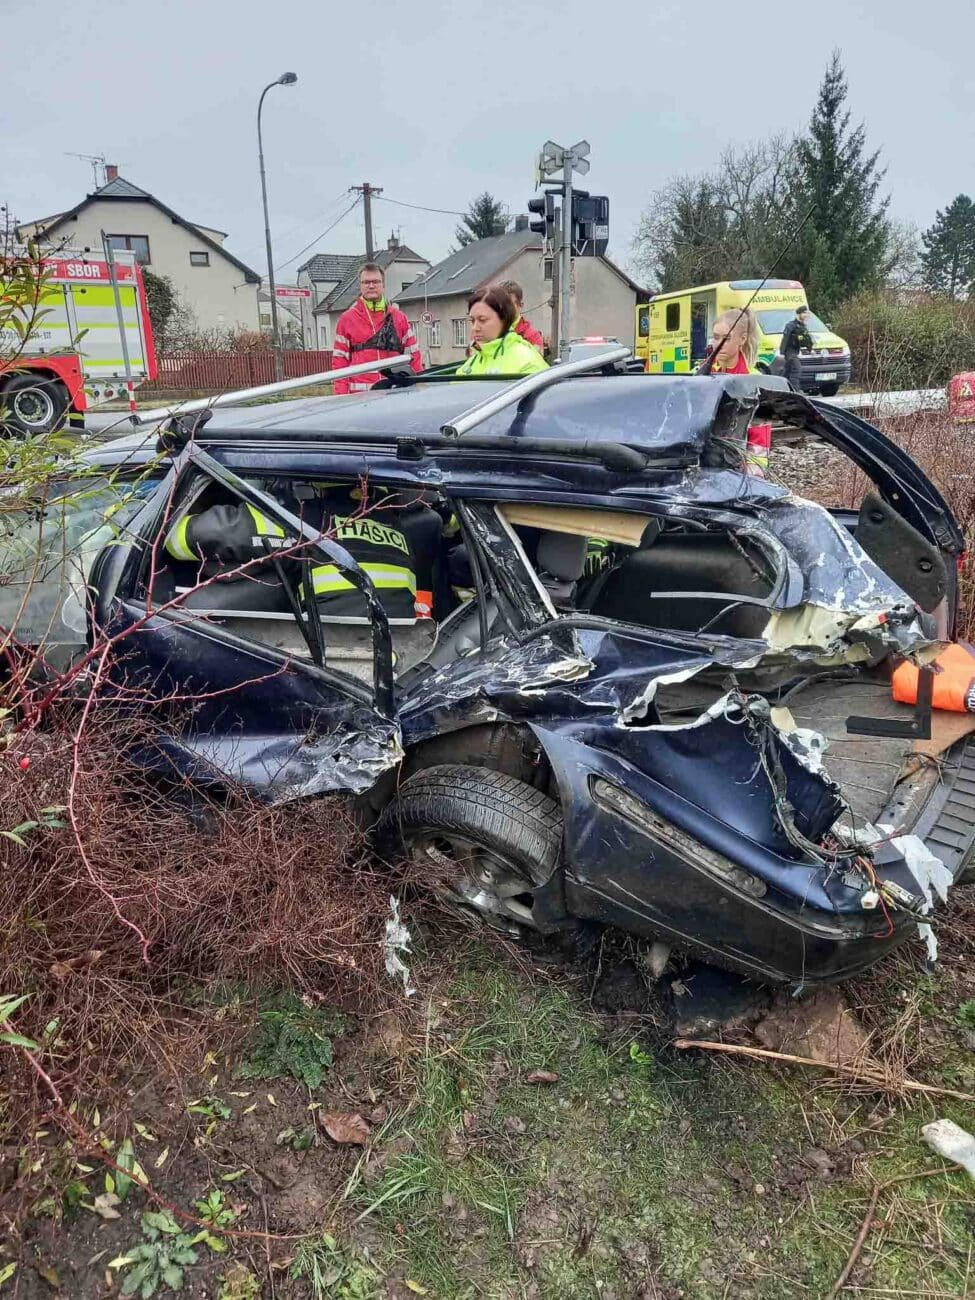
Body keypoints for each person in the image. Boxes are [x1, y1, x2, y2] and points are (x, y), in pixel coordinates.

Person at [163, 483, 421, 623]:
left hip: (332, 652)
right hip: (395, 650)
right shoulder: (398, 528)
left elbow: (184, 539)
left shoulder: (304, 520)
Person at [332, 264, 424, 395]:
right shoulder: (347, 319)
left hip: (394, 393)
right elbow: (339, 362)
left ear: (383, 285)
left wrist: (418, 390)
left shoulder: (399, 318)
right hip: (359, 398)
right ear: (360, 286)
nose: (371, 286)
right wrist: (341, 397)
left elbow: (413, 356)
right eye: (366, 282)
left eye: (375, 281)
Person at [705, 307, 771, 477]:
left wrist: (753, 477)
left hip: (736, 472)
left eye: (726, 339)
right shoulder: (699, 375)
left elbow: (759, 441)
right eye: (716, 337)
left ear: (742, 339)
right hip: (700, 467)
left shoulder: (754, 381)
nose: (718, 344)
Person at [456, 287, 549, 377]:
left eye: (482, 320)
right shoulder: (470, 364)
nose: (475, 328)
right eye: (472, 321)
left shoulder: (527, 362)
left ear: (504, 319)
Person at [497, 279, 545, 352]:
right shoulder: (489, 333)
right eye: (500, 304)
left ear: (520, 306)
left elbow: (535, 362)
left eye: (509, 305)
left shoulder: (532, 337)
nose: (504, 309)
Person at [779, 305, 813, 392]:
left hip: (795, 352)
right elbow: (785, 339)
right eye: (804, 313)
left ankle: (780, 388)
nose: (806, 315)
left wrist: (810, 349)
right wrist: (782, 352)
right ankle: (795, 391)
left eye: (807, 313)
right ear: (799, 314)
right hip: (790, 352)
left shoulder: (802, 327)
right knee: (796, 369)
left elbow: (807, 340)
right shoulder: (790, 326)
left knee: (787, 372)